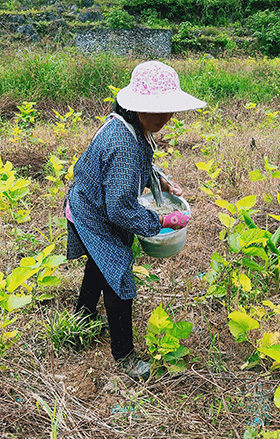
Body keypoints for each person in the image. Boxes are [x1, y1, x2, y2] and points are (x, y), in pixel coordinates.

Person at [65, 60, 206, 381]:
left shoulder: (126, 124)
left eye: (169, 109)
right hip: (95, 215)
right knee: (118, 280)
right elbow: (120, 210)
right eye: (158, 110)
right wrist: (159, 222)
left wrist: (162, 181)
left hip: (89, 203)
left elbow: (143, 161)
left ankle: (81, 320)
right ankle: (124, 355)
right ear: (136, 106)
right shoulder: (122, 145)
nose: (166, 117)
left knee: (98, 267)